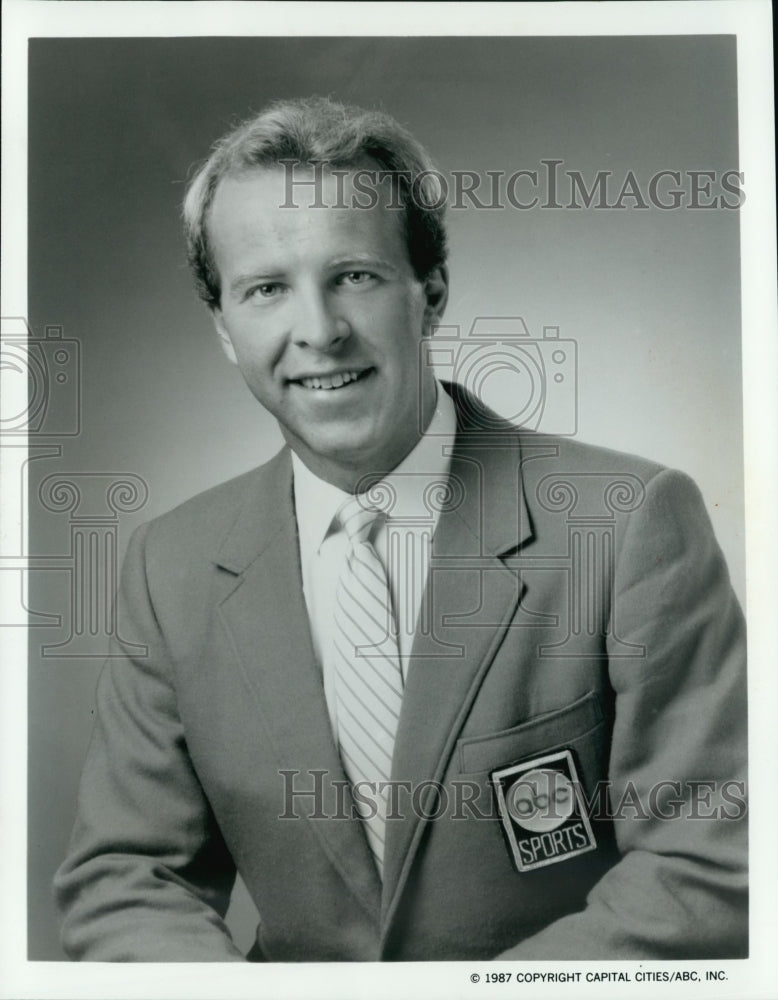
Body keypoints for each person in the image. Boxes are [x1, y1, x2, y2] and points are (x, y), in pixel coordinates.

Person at [54, 96, 747, 961]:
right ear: (226, 330)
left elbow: (711, 864)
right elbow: (128, 875)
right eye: (267, 289)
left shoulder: (629, 523)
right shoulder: (173, 565)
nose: (319, 332)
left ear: (431, 294)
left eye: (354, 275)